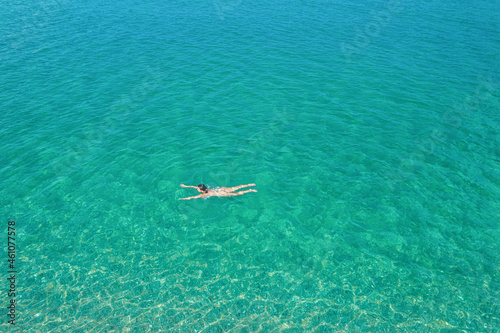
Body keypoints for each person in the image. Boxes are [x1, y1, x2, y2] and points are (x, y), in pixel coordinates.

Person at [179, 183, 257, 200]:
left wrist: (182, 198)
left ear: (201, 190)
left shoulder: (203, 194)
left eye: (198, 189)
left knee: (235, 194)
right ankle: (250, 185)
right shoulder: (205, 188)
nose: (197, 189)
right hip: (220, 189)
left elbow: (192, 197)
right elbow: (194, 186)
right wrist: (185, 186)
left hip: (220, 193)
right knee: (234, 187)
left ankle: (250, 190)